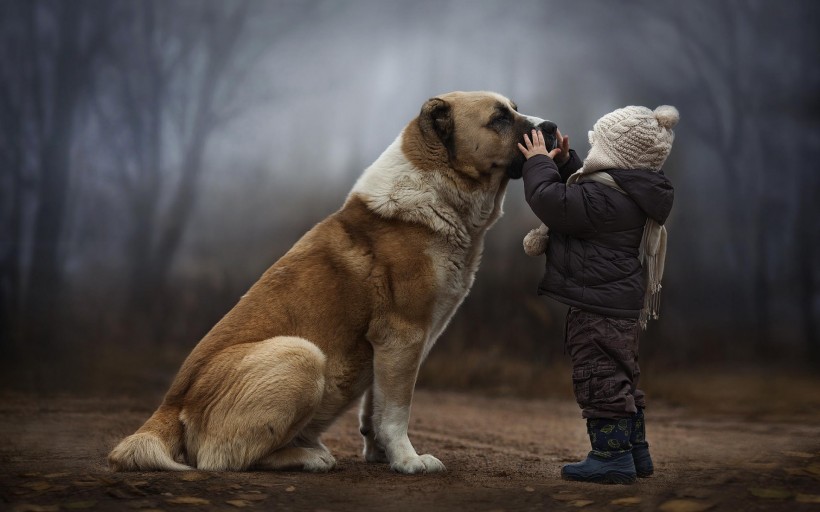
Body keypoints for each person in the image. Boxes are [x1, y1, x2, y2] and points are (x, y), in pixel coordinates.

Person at [517, 105, 678, 484]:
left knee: (599, 376)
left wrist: (538, 163)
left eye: (597, 145)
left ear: (615, 155)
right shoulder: (625, 192)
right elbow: (582, 192)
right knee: (621, 376)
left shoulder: (605, 201)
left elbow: (550, 200)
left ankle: (610, 458)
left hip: (597, 307)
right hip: (616, 304)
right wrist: (564, 162)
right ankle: (635, 452)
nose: (591, 154)